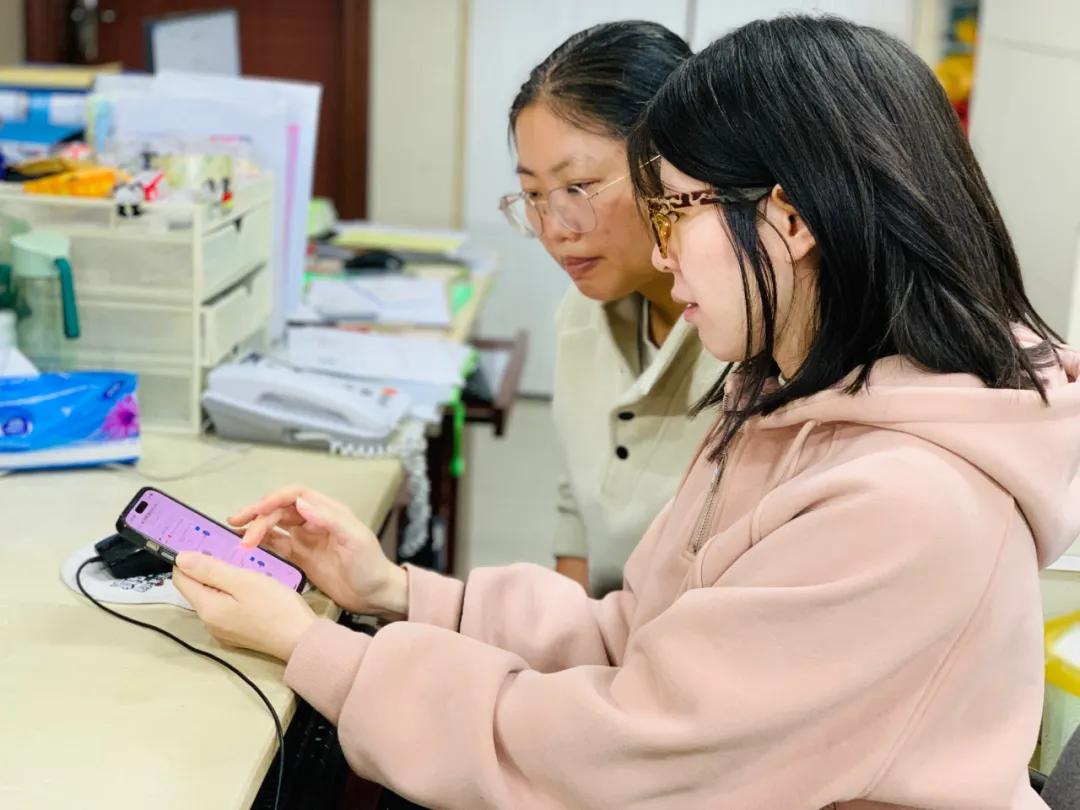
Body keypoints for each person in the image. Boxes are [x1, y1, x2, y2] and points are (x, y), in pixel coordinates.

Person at [173, 15, 1080, 809]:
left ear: (792, 220)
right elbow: (635, 636)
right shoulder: (784, 400)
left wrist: (319, 652)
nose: (660, 248)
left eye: (674, 210)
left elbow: (627, 754)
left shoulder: (903, 505)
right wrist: (396, 592)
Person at [498, 21, 724, 594]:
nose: (555, 228)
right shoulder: (581, 312)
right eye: (533, 195)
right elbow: (578, 494)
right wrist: (565, 633)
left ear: (676, 169)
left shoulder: (749, 343)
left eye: (578, 187)